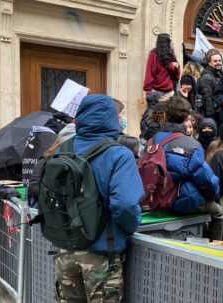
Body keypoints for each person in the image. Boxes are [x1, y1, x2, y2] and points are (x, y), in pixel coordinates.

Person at [54, 94, 144, 302]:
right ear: (111, 119)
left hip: (65, 252)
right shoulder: (119, 154)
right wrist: (128, 229)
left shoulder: (63, 150)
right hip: (100, 253)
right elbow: (126, 204)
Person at [152, 97, 221, 232]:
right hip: (179, 201)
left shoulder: (152, 140)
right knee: (219, 213)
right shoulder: (192, 145)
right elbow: (206, 180)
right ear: (186, 117)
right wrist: (215, 195)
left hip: (155, 198)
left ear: (166, 114)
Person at [143, 33, 180, 100]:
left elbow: (150, 73)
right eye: (170, 42)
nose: (171, 44)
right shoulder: (170, 55)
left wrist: (148, 89)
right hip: (167, 93)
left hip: (158, 92)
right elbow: (176, 76)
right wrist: (174, 66)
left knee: (154, 110)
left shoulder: (153, 54)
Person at [198, 49, 223, 120]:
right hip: (212, 116)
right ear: (209, 63)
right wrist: (210, 118)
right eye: (215, 61)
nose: (218, 63)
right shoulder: (207, 77)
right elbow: (207, 99)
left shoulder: (219, 74)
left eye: (219, 60)